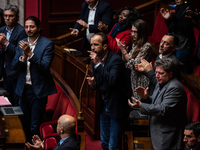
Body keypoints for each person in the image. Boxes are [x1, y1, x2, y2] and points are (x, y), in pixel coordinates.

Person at [12, 16, 57, 142]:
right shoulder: (21, 42)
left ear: (38, 27)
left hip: (38, 91)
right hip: (23, 90)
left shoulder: (47, 44)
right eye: (26, 27)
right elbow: (14, 66)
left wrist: (31, 54)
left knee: (34, 124)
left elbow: (44, 66)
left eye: (32, 26)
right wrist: (23, 57)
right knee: (23, 122)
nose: (28, 29)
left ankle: (35, 146)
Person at [128, 58, 187, 150]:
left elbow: (162, 109)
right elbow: (156, 102)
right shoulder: (162, 83)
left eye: (161, 73)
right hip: (158, 132)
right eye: (156, 72)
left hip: (167, 137)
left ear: (170, 74)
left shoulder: (174, 88)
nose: (157, 76)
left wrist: (141, 105)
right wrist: (145, 97)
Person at [87, 32, 128, 149]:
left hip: (116, 106)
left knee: (113, 146)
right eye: (91, 45)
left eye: (96, 45)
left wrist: (98, 65)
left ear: (105, 46)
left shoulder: (116, 61)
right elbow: (100, 81)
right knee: (104, 143)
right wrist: (94, 83)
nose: (92, 48)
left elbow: (112, 81)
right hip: (104, 104)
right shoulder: (95, 60)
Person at [117, 19, 152, 100]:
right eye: (132, 31)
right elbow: (127, 64)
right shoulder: (135, 44)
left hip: (142, 81)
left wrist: (124, 52)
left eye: (135, 32)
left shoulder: (146, 46)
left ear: (142, 32)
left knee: (139, 105)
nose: (132, 34)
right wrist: (124, 53)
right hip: (134, 79)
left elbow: (134, 65)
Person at [0, 4, 27, 105]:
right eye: (5, 16)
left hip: (16, 73)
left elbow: (19, 53)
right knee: (6, 102)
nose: (7, 18)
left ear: (17, 17)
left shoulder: (22, 32)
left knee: (16, 103)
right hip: (4, 72)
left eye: (10, 16)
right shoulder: (2, 30)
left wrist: (6, 43)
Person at [160, 0, 195, 74]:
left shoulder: (189, 8)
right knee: (173, 65)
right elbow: (172, 26)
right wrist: (167, 19)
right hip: (175, 41)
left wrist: (173, 18)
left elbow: (185, 28)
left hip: (184, 44)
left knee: (182, 68)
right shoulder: (177, 7)